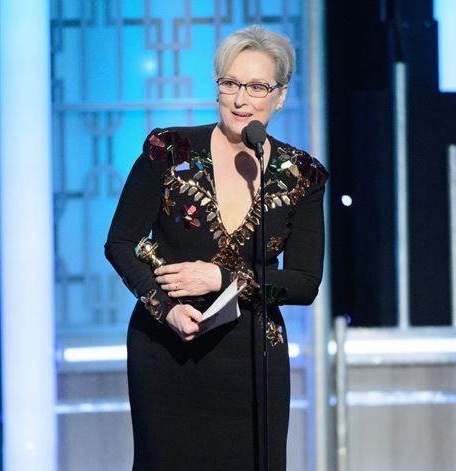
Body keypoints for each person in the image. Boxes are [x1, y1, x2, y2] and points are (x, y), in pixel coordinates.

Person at [105, 24, 327, 470]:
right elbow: (121, 243)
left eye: (257, 87)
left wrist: (226, 278)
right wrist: (164, 306)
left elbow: (304, 283)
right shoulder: (169, 150)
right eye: (230, 84)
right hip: (166, 346)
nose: (241, 99)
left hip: (251, 356)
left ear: (280, 96)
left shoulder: (301, 174)